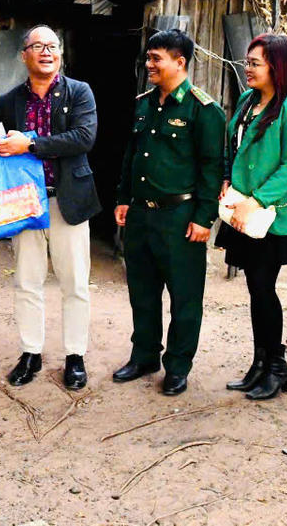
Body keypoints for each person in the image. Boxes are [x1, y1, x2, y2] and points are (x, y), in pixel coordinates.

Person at [112, 29, 225, 396]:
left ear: (180, 62)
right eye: (148, 58)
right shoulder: (144, 104)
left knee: (185, 297)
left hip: (181, 217)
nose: (149, 65)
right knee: (141, 292)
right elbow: (131, 156)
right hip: (142, 216)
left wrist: (204, 218)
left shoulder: (204, 110)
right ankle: (144, 355)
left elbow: (212, 168)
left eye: (156, 59)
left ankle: (177, 366)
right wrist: (123, 197)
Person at [0, 25, 99, 390]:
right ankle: (30, 353)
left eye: (52, 45)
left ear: (60, 53)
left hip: (67, 199)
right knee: (27, 281)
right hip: (24, 203)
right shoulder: (8, 101)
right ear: (24, 55)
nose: (46, 52)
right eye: (38, 46)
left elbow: (84, 138)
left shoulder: (79, 92)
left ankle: (75, 356)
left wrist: (30, 146)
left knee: (75, 283)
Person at [216, 33, 287, 400]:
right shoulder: (247, 101)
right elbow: (233, 146)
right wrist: (227, 179)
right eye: (248, 61)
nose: (248, 68)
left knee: (263, 286)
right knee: (255, 289)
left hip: (271, 216)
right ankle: (260, 364)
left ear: (278, 66)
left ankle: (277, 367)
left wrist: (255, 201)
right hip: (241, 207)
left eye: (255, 63)